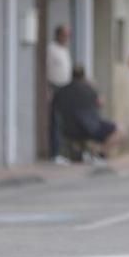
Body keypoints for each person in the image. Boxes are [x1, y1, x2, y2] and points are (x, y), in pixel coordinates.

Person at [55, 66, 124, 167]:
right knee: (121, 130)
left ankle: (90, 153)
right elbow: (100, 103)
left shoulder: (62, 91)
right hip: (89, 128)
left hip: (67, 129)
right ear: (83, 76)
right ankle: (101, 154)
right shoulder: (88, 89)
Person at [46, 24, 73, 164]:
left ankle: (63, 152)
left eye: (68, 35)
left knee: (63, 121)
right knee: (55, 121)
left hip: (65, 89)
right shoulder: (51, 49)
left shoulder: (64, 49)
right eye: (64, 35)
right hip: (55, 88)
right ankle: (54, 153)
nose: (66, 38)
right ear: (58, 35)